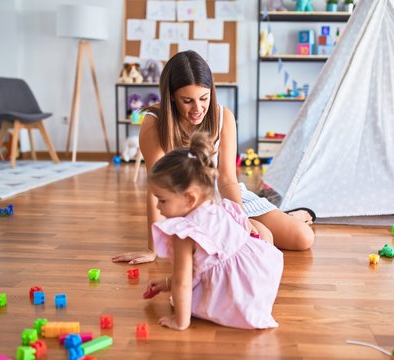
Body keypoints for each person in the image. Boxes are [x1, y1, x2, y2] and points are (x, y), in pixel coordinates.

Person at [112, 50, 314, 265]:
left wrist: (241, 218)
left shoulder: (223, 117)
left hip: (226, 195)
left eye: (204, 98)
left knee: (304, 238)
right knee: (262, 237)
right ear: (171, 95)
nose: (197, 109)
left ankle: (292, 215)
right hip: (189, 205)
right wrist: (152, 249)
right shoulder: (154, 123)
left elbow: (227, 179)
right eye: (187, 100)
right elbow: (157, 188)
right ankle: (270, 218)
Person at [142, 132, 283, 330]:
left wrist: (180, 321)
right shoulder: (218, 207)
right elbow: (204, 264)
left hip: (233, 294)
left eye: (163, 200)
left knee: (186, 298)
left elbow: (183, 281)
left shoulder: (185, 233)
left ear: (190, 198)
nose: (158, 208)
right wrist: (167, 283)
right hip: (257, 281)